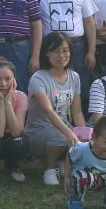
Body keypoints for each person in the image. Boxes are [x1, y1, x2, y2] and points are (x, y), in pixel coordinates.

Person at [24, 33, 87, 186]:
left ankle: (62, 161)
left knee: (85, 134)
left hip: (63, 129)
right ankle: (49, 169)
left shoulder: (74, 77)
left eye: (65, 50)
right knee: (61, 135)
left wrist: (83, 134)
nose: (61, 55)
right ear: (46, 53)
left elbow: (77, 111)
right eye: (56, 51)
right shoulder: (38, 78)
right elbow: (48, 110)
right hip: (38, 133)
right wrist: (69, 132)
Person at [37, 0, 97, 86]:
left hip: (77, 47)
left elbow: (89, 23)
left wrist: (91, 52)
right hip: (50, 47)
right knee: (51, 84)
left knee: (79, 85)